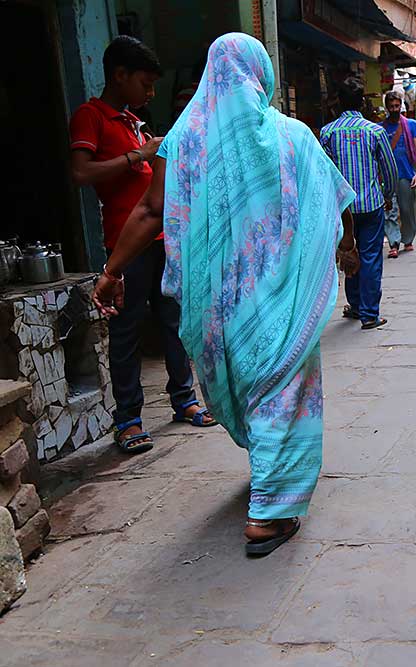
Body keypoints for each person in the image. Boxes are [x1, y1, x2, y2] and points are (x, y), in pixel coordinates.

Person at [91, 33, 360, 556]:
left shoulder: (182, 139)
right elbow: (334, 193)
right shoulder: (294, 136)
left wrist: (111, 270)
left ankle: (268, 469)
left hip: (217, 304)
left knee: (253, 387)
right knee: (284, 389)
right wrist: (345, 243)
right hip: (282, 296)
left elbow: (148, 212)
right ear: (261, 74)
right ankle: (270, 513)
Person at [70, 35, 215, 455]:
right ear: (120, 75)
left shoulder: (135, 120)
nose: (150, 93)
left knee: (174, 322)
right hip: (125, 242)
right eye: (145, 83)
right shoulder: (91, 116)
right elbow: (81, 173)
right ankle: (129, 419)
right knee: (127, 329)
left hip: (163, 237)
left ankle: (184, 399)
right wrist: (139, 156)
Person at [321, 78, 397, 329]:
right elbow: (389, 170)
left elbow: (325, 173)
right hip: (372, 204)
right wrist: (389, 195)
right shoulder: (375, 131)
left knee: (348, 250)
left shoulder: (328, 132)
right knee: (371, 256)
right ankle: (369, 314)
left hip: (343, 208)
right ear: (362, 102)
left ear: (339, 102)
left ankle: (354, 305)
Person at [380, 90, 416, 258]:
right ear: (387, 107)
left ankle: (408, 238)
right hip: (387, 176)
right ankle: (394, 242)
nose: (394, 109)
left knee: (406, 209)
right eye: (391, 106)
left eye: (397, 105)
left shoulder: (411, 125)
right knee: (390, 210)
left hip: (406, 173)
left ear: (401, 105)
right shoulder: (381, 128)